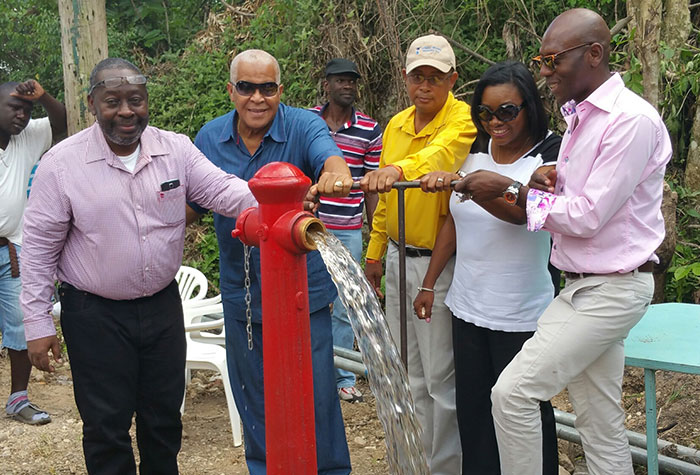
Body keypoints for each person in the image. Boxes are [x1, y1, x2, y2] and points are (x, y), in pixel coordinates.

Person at [456, 9, 671, 475]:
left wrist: (510, 189)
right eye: (542, 60)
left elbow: (588, 216)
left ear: (594, 53)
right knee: (600, 422)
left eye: (554, 60)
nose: (545, 73)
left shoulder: (629, 120)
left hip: (610, 290)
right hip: (581, 287)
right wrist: (542, 180)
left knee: (511, 394)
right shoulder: (581, 119)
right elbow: (579, 197)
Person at [20, 57, 259, 474]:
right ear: (93, 104)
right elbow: (39, 248)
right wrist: (37, 325)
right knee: (107, 426)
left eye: (136, 99)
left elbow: (224, 191)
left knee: (163, 418)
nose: (126, 111)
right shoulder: (62, 164)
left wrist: (277, 202)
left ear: (147, 101)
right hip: (94, 313)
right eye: (113, 101)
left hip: (162, 308)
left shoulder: (176, 149)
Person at [187, 49, 353, 474]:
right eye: (246, 87)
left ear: (281, 91)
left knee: (316, 391)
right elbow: (189, 207)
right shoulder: (209, 138)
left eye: (266, 88)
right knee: (253, 392)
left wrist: (334, 173)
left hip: (303, 294)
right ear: (231, 91)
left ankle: (331, 470)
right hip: (242, 294)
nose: (256, 98)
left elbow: (327, 156)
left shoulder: (303, 125)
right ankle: (266, 469)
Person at [413, 61, 560, 474]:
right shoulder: (474, 149)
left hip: (522, 312)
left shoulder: (551, 152)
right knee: (474, 412)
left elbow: (529, 215)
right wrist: (428, 283)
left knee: (524, 411)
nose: (495, 122)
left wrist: (481, 186)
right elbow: (452, 220)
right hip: (468, 306)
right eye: (486, 113)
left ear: (528, 106)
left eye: (507, 112)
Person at [360, 34, 477, 474]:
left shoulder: (462, 119)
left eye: (434, 78)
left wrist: (398, 170)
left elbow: (441, 154)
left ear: (452, 79)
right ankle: (411, 463)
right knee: (405, 369)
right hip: (395, 255)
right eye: (416, 78)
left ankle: (444, 467)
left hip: (437, 264)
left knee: (440, 378)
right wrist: (374, 252)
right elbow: (387, 201)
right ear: (405, 78)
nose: (424, 87)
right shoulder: (396, 125)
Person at [309, 57, 382, 403]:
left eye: (352, 81)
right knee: (307, 300)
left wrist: (375, 240)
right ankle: (310, 371)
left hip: (350, 229)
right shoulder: (307, 122)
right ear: (326, 84)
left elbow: (371, 188)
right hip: (310, 229)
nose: (347, 86)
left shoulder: (369, 129)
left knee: (344, 305)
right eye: (340, 80)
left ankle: (343, 377)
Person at [1, 79, 66, 425]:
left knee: (19, 325)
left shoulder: (26, 138)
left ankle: (18, 399)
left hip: (12, 249)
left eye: (27, 110)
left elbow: (62, 122)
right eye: (15, 107)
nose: (22, 116)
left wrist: (43, 97)